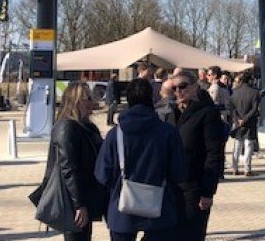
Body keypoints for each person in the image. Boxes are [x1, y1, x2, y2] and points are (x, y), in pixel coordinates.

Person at [95, 78, 187, 241]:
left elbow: (103, 174)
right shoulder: (167, 132)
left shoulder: (115, 134)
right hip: (160, 207)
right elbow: (179, 172)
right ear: (151, 98)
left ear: (128, 100)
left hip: (122, 208)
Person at [164, 72, 225, 241]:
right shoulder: (172, 113)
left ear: (195, 86)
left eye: (182, 86)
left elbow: (214, 154)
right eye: (174, 88)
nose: (178, 91)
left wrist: (207, 191)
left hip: (194, 188)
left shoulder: (207, 113)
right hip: (171, 188)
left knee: (191, 234)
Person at [42, 82, 107, 241]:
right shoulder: (67, 127)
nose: (93, 102)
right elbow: (69, 168)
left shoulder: (86, 127)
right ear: (77, 102)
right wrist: (79, 204)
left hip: (86, 195)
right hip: (73, 200)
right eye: (88, 99)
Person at [229, 72, 260, 176]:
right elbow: (255, 108)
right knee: (248, 145)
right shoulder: (254, 92)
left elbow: (232, 108)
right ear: (250, 80)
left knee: (237, 145)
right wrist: (245, 119)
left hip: (238, 123)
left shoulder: (234, 92)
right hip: (250, 122)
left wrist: (237, 119)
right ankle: (247, 169)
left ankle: (234, 168)